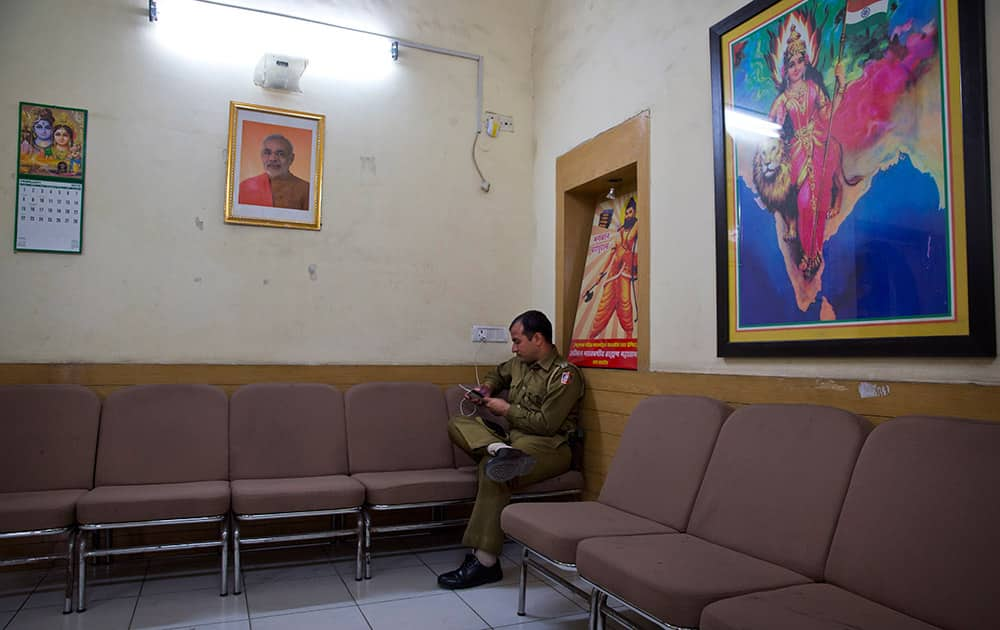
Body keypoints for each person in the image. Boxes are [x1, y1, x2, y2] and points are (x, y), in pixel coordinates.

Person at [438, 310, 584, 589]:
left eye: (517, 341)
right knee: (457, 423)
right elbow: (498, 374)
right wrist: (486, 389)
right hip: (513, 440)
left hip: (549, 446)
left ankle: (485, 562)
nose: (514, 348)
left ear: (538, 338)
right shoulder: (519, 363)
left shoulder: (565, 375)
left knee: (493, 472)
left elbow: (546, 424)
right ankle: (497, 449)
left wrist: (505, 409)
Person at [767, 25, 846, 277]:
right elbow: (770, 130)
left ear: (806, 62)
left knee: (820, 201)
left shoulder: (813, 88)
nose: (797, 67)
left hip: (819, 144)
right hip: (798, 153)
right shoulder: (782, 100)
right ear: (785, 69)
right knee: (803, 202)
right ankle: (808, 251)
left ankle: (815, 254)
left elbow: (828, 114)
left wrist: (841, 84)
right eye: (792, 64)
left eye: (800, 61)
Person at [588, 197, 638, 338]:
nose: (628, 216)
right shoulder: (618, 234)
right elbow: (610, 255)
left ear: (635, 213)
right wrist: (600, 274)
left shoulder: (635, 229)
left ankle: (629, 340)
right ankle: (590, 340)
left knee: (625, 305)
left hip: (625, 275)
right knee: (603, 308)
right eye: (626, 213)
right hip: (612, 275)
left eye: (630, 212)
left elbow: (632, 235)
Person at [238, 134, 310, 210]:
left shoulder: (305, 189)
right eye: (267, 153)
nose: (272, 159)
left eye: (280, 154)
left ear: (291, 159)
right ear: (262, 156)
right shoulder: (245, 187)